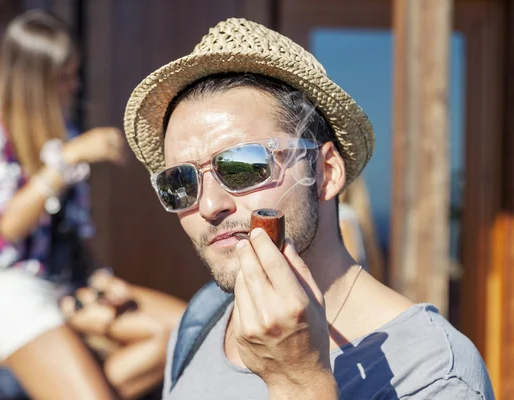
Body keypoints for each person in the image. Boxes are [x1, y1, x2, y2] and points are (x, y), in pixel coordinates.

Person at [121, 18, 495, 399]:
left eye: (243, 166)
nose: (210, 205)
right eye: (179, 182)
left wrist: (299, 379)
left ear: (326, 173)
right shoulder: (205, 317)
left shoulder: (433, 375)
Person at [0, 10, 184, 400]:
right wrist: (68, 159)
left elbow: (77, 230)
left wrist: (101, 276)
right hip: (2, 283)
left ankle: (3, 392)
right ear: (33, 80)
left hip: (63, 284)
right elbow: (9, 224)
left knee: (185, 332)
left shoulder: (64, 131)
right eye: (64, 77)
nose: (74, 86)